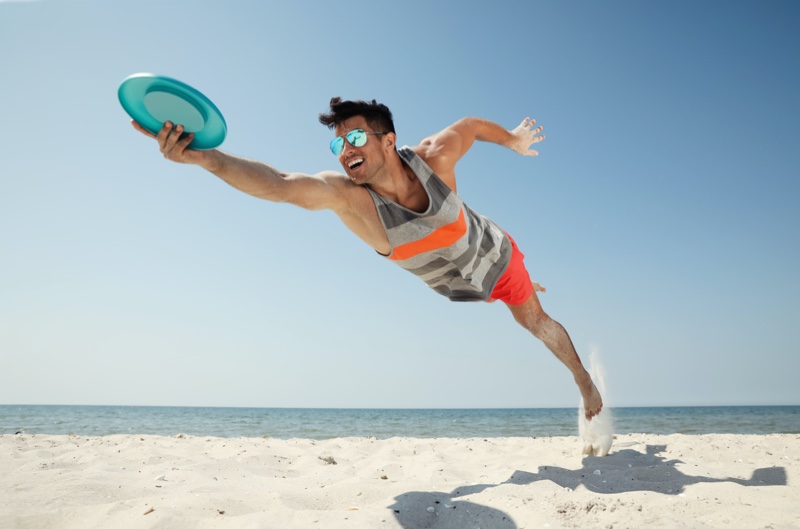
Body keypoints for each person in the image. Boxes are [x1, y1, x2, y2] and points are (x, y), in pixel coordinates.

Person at [131, 97, 603, 419]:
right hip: (456, 284)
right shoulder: (351, 201)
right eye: (336, 144)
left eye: (354, 138)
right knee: (490, 293)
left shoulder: (435, 158)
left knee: (535, 322)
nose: (344, 151)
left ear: (388, 140)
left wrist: (514, 139)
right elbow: (280, 183)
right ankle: (511, 289)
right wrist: (207, 159)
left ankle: (582, 379)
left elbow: (472, 127)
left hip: (493, 256)